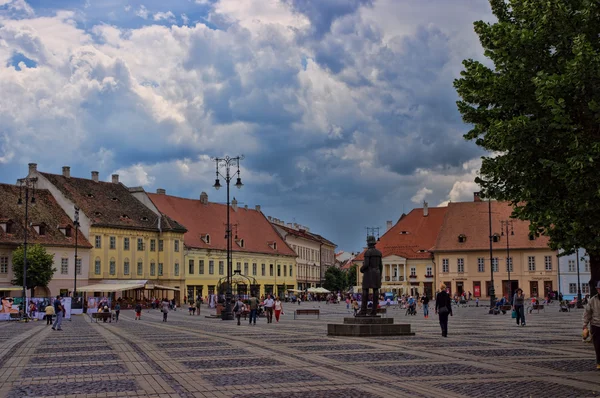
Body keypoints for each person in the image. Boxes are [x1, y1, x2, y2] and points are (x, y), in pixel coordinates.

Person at [358, 235, 383, 316]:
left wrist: (361, 269)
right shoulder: (379, 253)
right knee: (376, 291)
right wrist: (380, 275)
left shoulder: (368, 252)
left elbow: (366, 265)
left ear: (368, 243)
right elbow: (381, 266)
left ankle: (363, 311)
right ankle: (374, 311)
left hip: (369, 273)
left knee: (365, 290)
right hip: (377, 273)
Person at [583, 281, 600, 370]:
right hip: (596, 325)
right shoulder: (593, 300)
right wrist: (585, 324)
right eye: (599, 289)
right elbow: (587, 313)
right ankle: (599, 362)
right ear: (597, 289)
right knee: (597, 346)